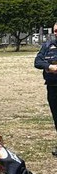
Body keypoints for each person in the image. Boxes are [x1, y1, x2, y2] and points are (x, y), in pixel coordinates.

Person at [34, 22, 57, 156]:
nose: (56, 33)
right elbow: (37, 62)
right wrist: (49, 67)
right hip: (52, 88)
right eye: (55, 31)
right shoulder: (47, 46)